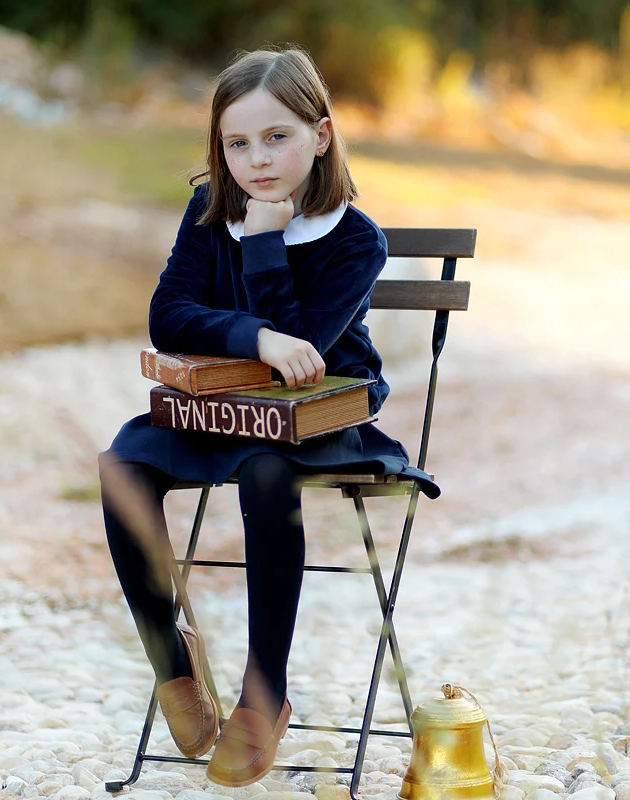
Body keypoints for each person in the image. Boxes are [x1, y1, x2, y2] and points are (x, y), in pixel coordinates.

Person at [99, 45, 439, 788]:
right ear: (220, 148)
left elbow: (303, 356)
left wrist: (261, 241)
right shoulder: (206, 210)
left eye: (277, 137)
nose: (257, 160)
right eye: (237, 142)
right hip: (220, 403)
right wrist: (249, 334)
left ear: (321, 135)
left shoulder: (356, 240)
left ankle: (264, 694)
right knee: (122, 461)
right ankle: (173, 660)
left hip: (319, 413)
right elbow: (170, 316)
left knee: (265, 470)